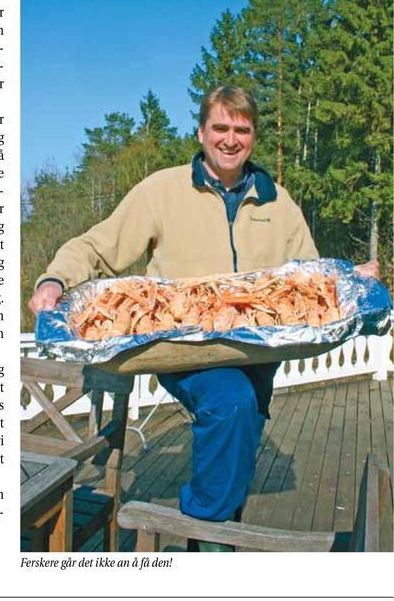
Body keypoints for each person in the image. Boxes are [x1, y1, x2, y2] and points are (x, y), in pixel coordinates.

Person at [28, 85, 379, 548]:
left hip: (257, 352)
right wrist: (53, 280)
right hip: (184, 350)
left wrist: (346, 278)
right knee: (231, 405)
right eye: (220, 127)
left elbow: (304, 279)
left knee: (243, 426)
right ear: (201, 132)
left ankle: (215, 539)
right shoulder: (163, 190)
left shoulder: (278, 201)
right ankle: (203, 541)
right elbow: (96, 246)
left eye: (241, 129)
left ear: (252, 135)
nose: (230, 139)